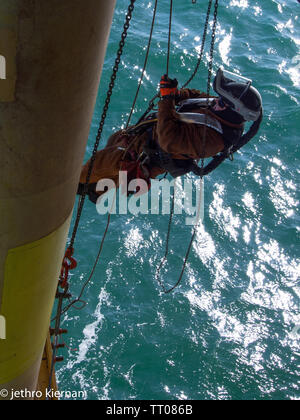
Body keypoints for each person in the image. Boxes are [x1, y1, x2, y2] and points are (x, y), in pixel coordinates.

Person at [78, 68, 263, 203]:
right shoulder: (218, 107)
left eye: (223, 102)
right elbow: (194, 96)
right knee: (115, 142)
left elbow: (169, 140)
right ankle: (94, 187)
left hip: (149, 156)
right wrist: (175, 94)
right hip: (144, 136)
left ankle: (72, 183)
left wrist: (166, 101)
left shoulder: (214, 140)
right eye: (220, 98)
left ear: (233, 112)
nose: (217, 102)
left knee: (111, 160)